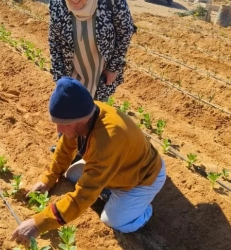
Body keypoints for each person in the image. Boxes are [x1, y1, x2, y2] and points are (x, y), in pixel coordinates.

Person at [11, 77, 166, 247]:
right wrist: (49, 177)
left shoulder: (108, 138)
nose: (58, 130)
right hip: (116, 168)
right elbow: (65, 147)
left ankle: (142, 210)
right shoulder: (85, 114)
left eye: (63, 125)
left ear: (80, 120)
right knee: (71, 175)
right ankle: (111, 192)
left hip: (141, 178)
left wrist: (38, 223)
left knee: (113, 220)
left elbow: (84, 195)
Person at [49, 0, 136, 101]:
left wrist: (113, 68)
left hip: (100, 77)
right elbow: (54, 41)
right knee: (73, 111)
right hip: (71, 76)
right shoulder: (57, 2)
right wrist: (60, 78)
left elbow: (125, 32)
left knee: (96, 111)